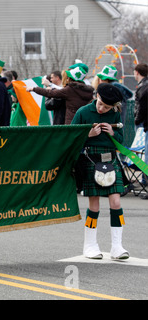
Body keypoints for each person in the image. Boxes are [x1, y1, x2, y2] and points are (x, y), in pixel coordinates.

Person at [71, 83, 129, 260]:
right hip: (90, 159)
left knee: (116, 203)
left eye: (107, 107)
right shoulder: (83, 112)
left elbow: (120, 139)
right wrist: (87, 135)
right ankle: (90, 245)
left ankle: (117, 247)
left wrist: (113, 132)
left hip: (110, 158)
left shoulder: (115, 114)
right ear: (96, 96)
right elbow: (71, 137)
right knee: (93, 206)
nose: (103, 109)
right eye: (101, 104)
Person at [27, 65, 94, 124]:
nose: (67, 78)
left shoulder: (70, 89)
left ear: (71, 78)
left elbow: (50, 93)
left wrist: (34, 89)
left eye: (68, 77)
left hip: (72, 124)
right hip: (85, 123)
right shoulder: (89, 91)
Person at [133, 63, 148, 197]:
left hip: (144, 123)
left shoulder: (144, 87)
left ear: (137, 72)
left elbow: (141, 106)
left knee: (146, 156)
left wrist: (137, 119)